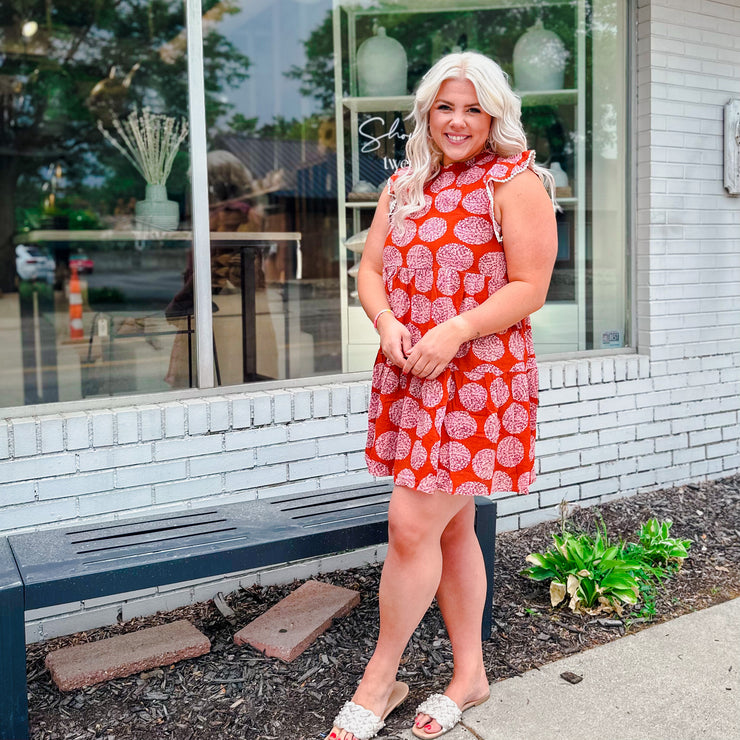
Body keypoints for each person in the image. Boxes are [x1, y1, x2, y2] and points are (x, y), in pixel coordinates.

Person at [328, 50, 558, 740]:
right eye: (445, 107)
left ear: (495, 115)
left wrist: (454, 330)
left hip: (480, 379)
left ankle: (380, 680)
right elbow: (368, 270)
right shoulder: (402, 185)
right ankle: (470, 676)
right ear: (427, 112)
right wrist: (388, 321)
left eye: (473, 108)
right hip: (411, 374)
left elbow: (530, 287)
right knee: (448, 527)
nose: (458, 121)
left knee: (410, 524)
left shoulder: (515, 182)